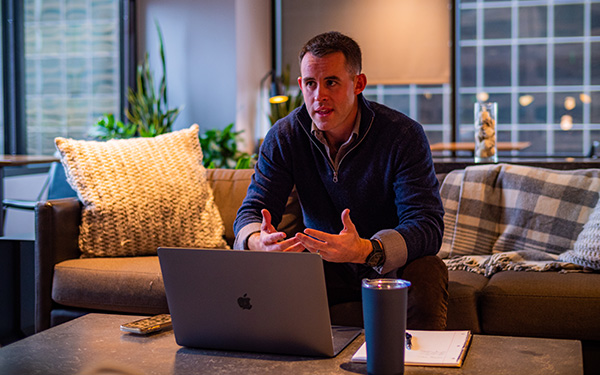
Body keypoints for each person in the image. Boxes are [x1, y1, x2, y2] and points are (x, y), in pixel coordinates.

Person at [234, 31, 448, 330]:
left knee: (428, 270)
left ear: (358, 84)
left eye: (331, 82)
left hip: (387, 264)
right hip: (321, 265)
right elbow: (252, 210)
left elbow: (427, 225)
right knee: (261, 275)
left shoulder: (402, 135)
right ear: (301, 86)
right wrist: (258, 241)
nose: (319, 95)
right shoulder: (284, 136)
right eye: (310, 84)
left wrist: (365, 249)